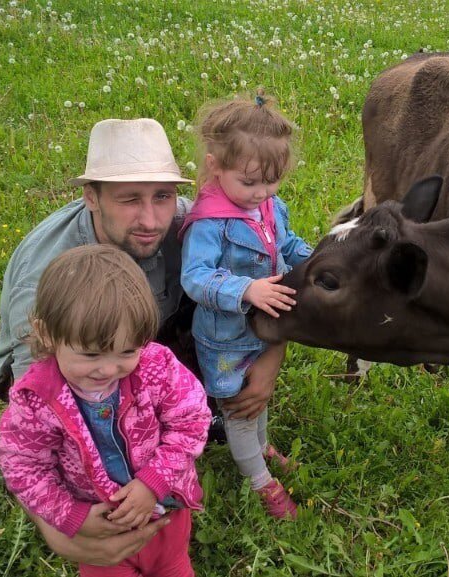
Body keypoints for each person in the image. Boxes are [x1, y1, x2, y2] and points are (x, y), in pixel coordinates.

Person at [0, 118, 284, 564]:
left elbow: (272, 275)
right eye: (129, 199)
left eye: (162, 196)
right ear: (91, 196)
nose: (150, 219)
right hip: (68, 371)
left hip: (144, 350)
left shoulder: (192, 220)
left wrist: (269, 361)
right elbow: (33, 388)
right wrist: (59, 530)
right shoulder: (49, 269)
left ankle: (194, 409)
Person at [0, 244, 209, 576]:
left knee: (174, 567)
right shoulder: (36, 398)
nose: (108, 369)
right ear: (47, 334)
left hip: (166, 511)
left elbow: (192, 420)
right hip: (99, 524)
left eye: (126, 351)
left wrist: (154, 482)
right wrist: (70, 515)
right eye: (91, 355)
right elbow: (24, 467)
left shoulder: (157, 368)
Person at [179, 90, 312, 519]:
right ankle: (259, 481)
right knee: (239, 409)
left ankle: (260, 446)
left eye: (271, 181)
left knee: (260, 398)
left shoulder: (271, 206)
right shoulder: (209, 221)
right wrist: (245, 290)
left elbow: (286, 245)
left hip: (261, 331)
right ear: (216, 167)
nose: (261, 192)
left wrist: (319, 263)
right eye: (250, 182)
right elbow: (194, 277)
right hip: (225, 340)